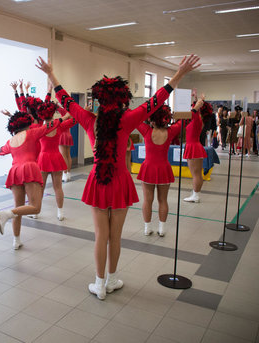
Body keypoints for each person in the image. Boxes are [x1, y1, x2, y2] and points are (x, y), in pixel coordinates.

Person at [37, 54, 200, 300]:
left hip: (98, 180)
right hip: (120, 180)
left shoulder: (89, 120)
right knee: (115, 237)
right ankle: (112, 279)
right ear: (123, 98)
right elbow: (155, 101)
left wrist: (51, 74)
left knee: (100, 236)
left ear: (98, 99)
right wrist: (179, 75)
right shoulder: (128, 118)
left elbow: (67, 101)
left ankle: (100, 284)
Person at [0, 111, 61, 248]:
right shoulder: (32, 133)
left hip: (15, 171)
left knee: (18, 208)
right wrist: (64, 118)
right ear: (27, 123)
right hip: (29, 168)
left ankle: (16, 241)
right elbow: (50, 126)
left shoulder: (10, 141)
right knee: (35, 207)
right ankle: (6, 213)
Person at [137, 105, 182, 237]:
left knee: (147, 200)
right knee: (163, 200)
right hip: (164, 168)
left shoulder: (146, 130)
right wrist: (194, 108)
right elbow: (184, 120)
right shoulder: (171, 131)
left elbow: (136, 118)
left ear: (152, 119)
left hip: (148, 168)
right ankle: (162, 229)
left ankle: (147, 228)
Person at [36, 100, 75, 221]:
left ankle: (36, 212)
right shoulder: (59, 126)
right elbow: (74, 120)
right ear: (53, 113)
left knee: (40, 188)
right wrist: (82, 111)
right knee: (58, 187)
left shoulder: (40, 128)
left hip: (43, 159)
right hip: (56, 158)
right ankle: (60, 213)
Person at [183, 95, 212, 203]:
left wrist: (199, 101)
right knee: (197, 173)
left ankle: (196, 195)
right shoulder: (199, 119)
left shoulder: (197, 119)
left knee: (196, 174)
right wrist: (196, 98)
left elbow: (193, 111)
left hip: (193, 147)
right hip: (194, 146)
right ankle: (196, 193)